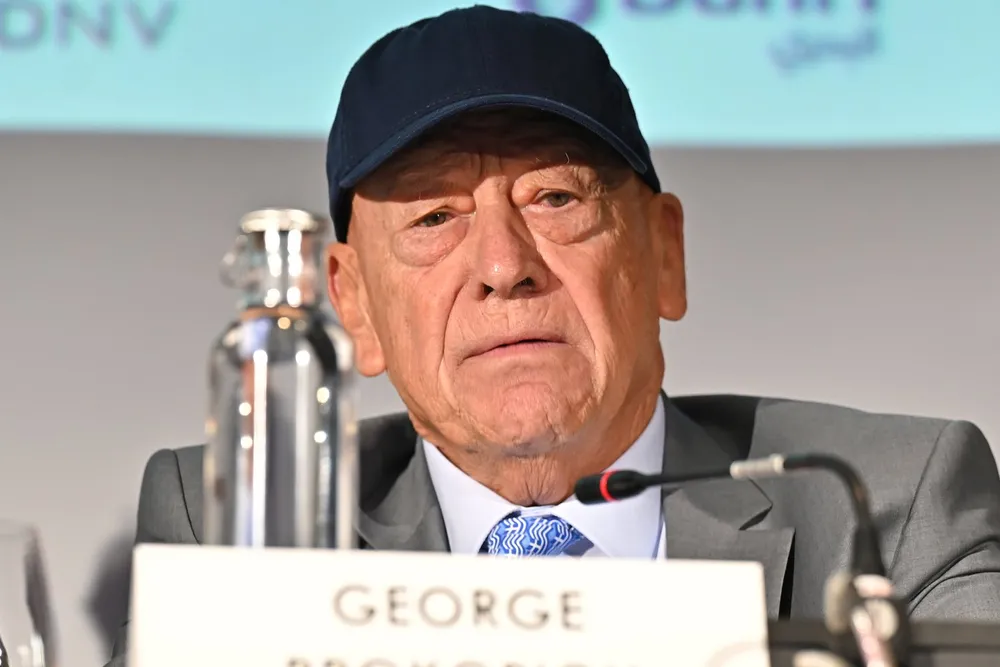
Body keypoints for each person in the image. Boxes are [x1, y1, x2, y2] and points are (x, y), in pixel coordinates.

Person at [106, 5, 1000, 664]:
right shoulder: (239, 529)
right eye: (434, 218)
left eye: (556, 198)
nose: (504, 265)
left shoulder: (887, 504)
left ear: (664, 254)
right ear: (356, 306)